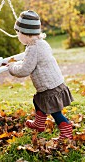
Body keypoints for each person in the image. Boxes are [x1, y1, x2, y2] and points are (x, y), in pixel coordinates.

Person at [8, 10, 74, 141]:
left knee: (55, 112)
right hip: (55, 82)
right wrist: (18, 62)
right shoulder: (41, 43)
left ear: (26, 34)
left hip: (49, 87)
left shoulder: (33, 49)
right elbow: (31, 61)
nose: (17, 36)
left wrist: (11, 68)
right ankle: (39, 124)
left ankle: (66, 130)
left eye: (18, 33)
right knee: (37, 101)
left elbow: (25, 70)